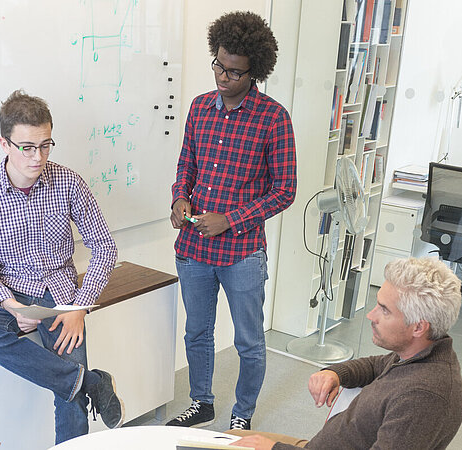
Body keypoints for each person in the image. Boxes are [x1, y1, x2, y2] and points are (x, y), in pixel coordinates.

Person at [0, 90, 123, 444]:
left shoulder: (68, 182)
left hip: (60, 293)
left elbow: (105, 247)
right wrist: (11, 305)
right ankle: (90, 381)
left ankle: (79, 389)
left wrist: (80, 305)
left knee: (70, 400)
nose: (38, 157)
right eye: (27, 147)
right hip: (9, 289)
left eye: (46, 145)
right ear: (4, 144)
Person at [168, 11, 296, 431]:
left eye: (235, 72)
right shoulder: (200, 107)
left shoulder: (273, 118)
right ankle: (201, 402)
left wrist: (232, 220)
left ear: (254, 72)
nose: (224, 77)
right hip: (194, 250)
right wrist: (179, 198)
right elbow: (187, 163)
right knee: (197, 334)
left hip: (242, 253)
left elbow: (285, 191)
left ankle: (242, 414)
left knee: (248, 341)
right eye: (219, 65)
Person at [230, 257, 462, 449]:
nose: (371, 316)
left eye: (384, 310)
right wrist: (336, 373)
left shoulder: (422, 397)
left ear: (418, 327)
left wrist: (273, 449)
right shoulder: (417, 354)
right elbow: (375, 366)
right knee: (230, 437)